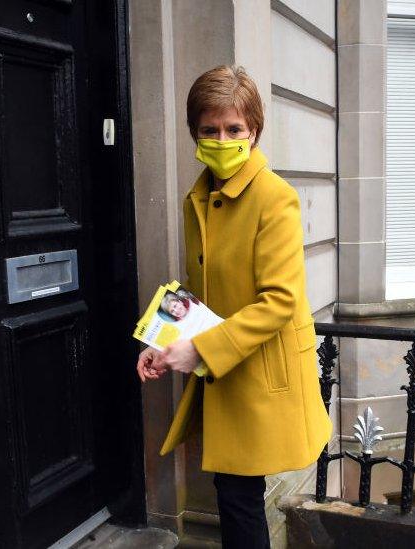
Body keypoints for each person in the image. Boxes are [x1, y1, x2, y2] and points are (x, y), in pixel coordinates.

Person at [136, 65, 332, 548]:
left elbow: (281, 301)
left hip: (257, 371)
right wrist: (162, 339)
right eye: (209, 130)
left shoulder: (274, 198)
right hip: (226, 365)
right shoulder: (199, 197)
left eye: (233, 129)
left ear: (254, 131)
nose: (221, 139)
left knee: (239, 496)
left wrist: (200, 350)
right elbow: (200, 290)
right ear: (194, 133)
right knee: (231, 492)